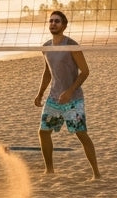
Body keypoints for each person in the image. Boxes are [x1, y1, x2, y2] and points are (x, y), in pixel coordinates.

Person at [33, 10, 100, 179]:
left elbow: (85, 71)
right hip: (54, 98)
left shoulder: (72, 45)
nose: (53, 24)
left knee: (81, 134)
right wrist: (40, 93)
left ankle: (96, 173)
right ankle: (49, 170)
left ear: (64, 25)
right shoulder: (46, 47)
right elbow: (47, 72)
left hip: (73, 99)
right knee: (44, 132)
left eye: (57, 21)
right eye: (51, 21)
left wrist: (70, 91)